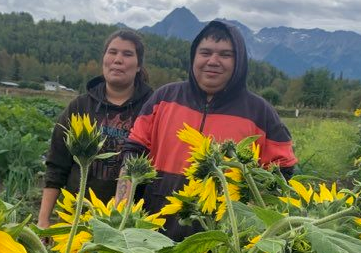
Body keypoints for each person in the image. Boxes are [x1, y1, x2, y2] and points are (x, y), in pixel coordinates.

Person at [119, 19, 297, 240]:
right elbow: (133, 154)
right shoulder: (164, 98)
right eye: (205, 52)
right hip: (152, 230)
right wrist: (121, 212)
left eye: (225, 55)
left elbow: (283, 170)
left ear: (239, 61)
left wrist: (251, 210)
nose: (213, 61)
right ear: (194, 57)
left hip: (223, 243)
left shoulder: (259, 112)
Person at [38, 29, 153, 228]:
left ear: (138, 65)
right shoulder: (79, 107)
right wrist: (43, 220)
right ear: (104, 59)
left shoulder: (152, 108)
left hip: (127, 225)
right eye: (112, 52)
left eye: (127, 54)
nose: (118, 60)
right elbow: (57, 166)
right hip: (76, 220)